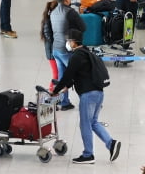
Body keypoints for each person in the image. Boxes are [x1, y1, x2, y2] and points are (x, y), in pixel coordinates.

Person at [52, 29, 122, 164]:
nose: (68, 43)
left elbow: (67, 75)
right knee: (93, 122)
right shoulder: (88, 53)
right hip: (99, 93)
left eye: (68, 41)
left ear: (73, 42)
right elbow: (78, 76)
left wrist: (56, 90)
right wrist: (65, 87)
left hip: (88, 95)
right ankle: (111, 143)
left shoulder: (76, 56)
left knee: (85, 124)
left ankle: (88, 155)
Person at [50, 0, 86, 111]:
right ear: (66, 0)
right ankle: (87, 102)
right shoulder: (70, 12)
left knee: (62, 77)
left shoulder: (53, 12)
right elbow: (83, 27)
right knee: (79, 75)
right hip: (67, 50)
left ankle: (64, 102)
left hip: (56, 49)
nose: (71, 0)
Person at [41, 0, 59, 91]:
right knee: (56, 74)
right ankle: (51, 93)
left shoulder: (51, 19)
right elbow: (49, 36)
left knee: (57, 74)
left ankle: (54, 93)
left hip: (53, 52)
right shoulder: (48, 21)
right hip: (52, 53)